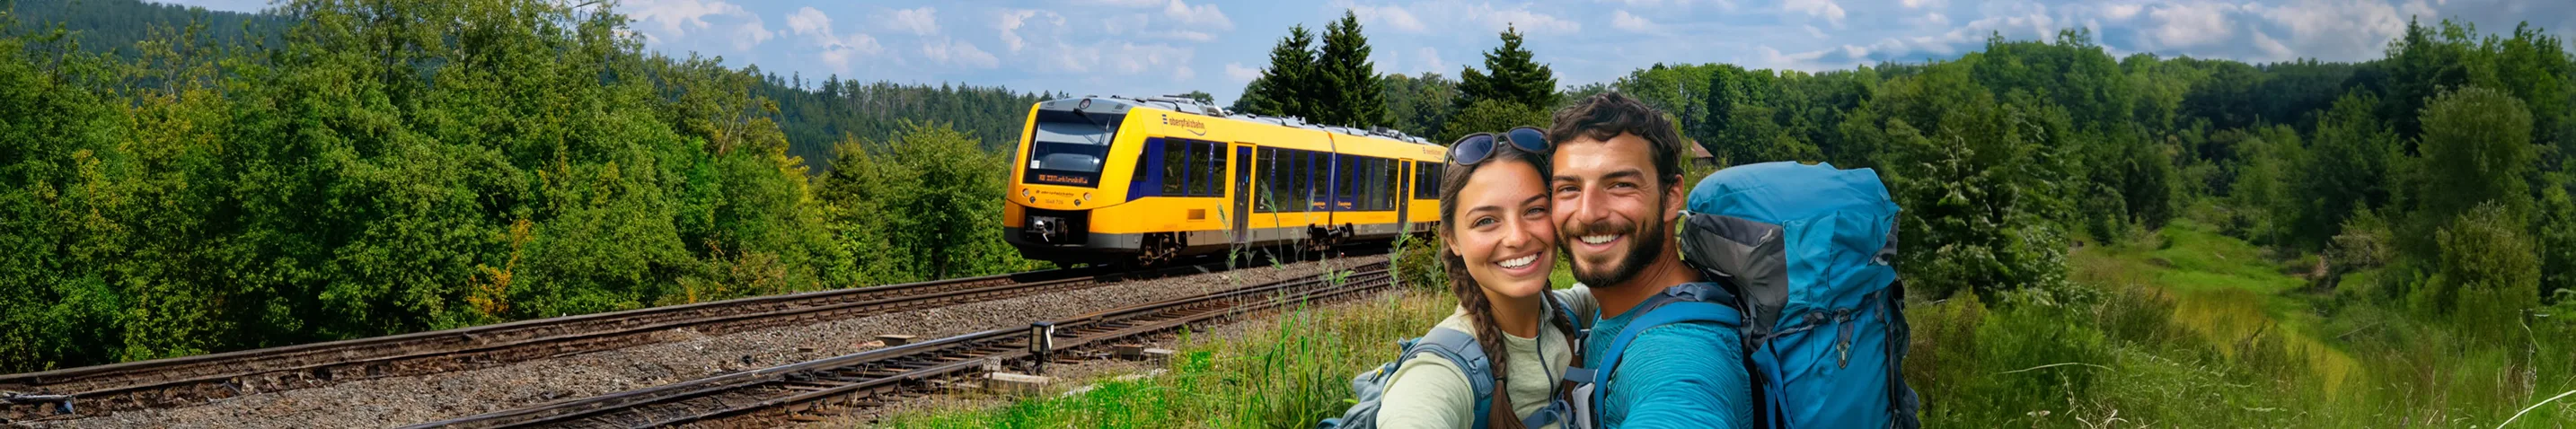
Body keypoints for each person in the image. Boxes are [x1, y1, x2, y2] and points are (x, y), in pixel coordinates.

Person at [1547, 92, 1752, 428]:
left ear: (1671, 197)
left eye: (1620, 185)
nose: (1587, 213)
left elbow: (1682, 404)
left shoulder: (1681, 355)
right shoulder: (1626, 300)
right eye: (1569, 188)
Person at [1375, 127, 1592, 429]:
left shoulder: (1565, 313)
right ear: (1452, 239)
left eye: (1535, 210)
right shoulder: (1441, 369)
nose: (1517, 237)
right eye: (1486, 221)